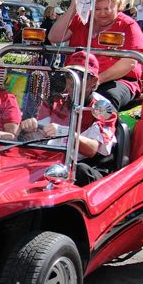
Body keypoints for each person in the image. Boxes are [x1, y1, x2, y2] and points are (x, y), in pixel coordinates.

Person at [20, 51, 117, 186]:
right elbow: (37, 135)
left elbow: (92, 149)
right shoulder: (54, 101)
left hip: (90, 167)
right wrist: (28, 128)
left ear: (93, 81)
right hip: (56, 162)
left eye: (80, 76)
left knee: (80, 171)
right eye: (69, 75)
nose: (72, 82)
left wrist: (63, 132)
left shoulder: (102, 108)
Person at [48, 0, 143, 111]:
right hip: (77, 78)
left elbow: (129, 63)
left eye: (107, 9)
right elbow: (54, 37)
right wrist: (73, 8)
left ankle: (102, 130)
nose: (102, 13)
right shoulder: (82, 19)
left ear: (118, 6)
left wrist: (94, 82)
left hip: (115, 80)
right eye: (97, 9)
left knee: (105, 100)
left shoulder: (128, 26)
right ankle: (48, 127)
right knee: (50, 92)